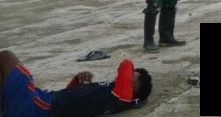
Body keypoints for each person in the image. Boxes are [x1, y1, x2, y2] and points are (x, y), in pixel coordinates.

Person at [0, 50, 152, 116]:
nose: (125, 77)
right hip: (42, 104)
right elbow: (69, 101)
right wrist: (77, 82)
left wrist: (133, 73)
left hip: (40, 109)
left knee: (7, 57)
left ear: (133, 89)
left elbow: (126, 63)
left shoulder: (121, 98)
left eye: (131, 77)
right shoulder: (109, 91)